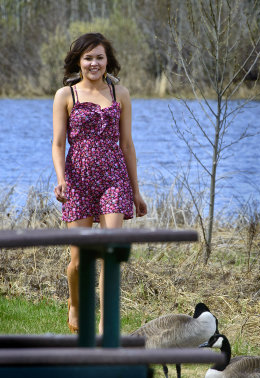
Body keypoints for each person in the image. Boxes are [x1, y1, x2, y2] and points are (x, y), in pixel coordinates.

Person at [52, 32, 147, 334]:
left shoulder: (121, 95)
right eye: (88, 57)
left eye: (99, 57)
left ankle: (107, 324)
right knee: (79, 263)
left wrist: (136, 191)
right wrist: (61, 179)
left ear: (109, 61)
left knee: (110, 254)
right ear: (78, 61)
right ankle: (76, 304)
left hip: (113, 180)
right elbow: (57, 144)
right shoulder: (66, 96)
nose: (94, 63)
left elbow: (128, 145)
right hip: (78, 180)